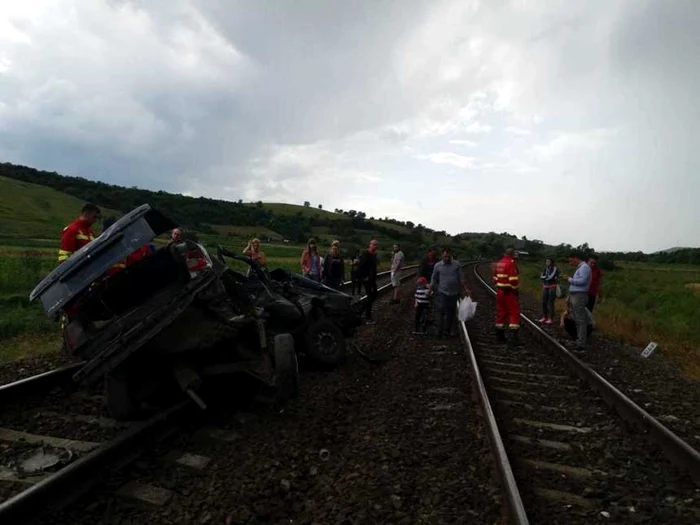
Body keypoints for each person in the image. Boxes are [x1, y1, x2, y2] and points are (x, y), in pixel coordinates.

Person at [430, 248, 471, 338]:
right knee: (441, 311)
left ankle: (447, 331)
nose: (447, 258)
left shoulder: (456, 265)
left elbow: (461, 278)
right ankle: (439, 331)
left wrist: (466, 289)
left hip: (454, 292)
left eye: (449, 257)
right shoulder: (438, 266)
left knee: (451, 312)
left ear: (451, 256)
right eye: (445, 257)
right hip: (442, 291)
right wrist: (430, 289)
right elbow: (434, 278)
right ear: (442, 256)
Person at [493, 247, 523, 347]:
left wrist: (499, 285)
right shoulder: (511, 263)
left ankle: (499, 337)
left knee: (501, 313)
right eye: (516, 255)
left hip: (500, 292)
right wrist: (515, 290)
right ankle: (514, 339)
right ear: (512, 255)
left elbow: (495, 277)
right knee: (514, 313)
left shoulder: (500, 262)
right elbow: (513, 280)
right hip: (509, 293)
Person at [562, 251, 592, 350]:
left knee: (580, 320)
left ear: (576, 258)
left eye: (571, 260)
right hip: (576, 295)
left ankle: (581, 343)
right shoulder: (581, 268)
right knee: (577, 319)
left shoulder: (584, 268)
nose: (571, 262)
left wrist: (569, 279)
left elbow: (582, 281)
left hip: (579, 296)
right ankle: (578, 340)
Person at [356, 239, 379, 324]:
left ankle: (361, 309)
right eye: (374, 244)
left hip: (372, 279)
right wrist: (363, 277)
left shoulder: (373, 255)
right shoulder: (365, 254)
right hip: (367, 279)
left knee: (374, 295)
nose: (375, 246)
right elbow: (360, 267)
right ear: (370, 245)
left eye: (376, 245)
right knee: (370, 297)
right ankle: (367, 317)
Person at [539, 258, 559, 324]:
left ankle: (551, 318)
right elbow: (541, 276)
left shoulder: (555, 268)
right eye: (546, 261)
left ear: (551, 262)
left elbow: (551, 277)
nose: (547, 262)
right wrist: (546, 277)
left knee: (550, 303)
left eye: (548, 261)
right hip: (545, 286)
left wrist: (545, 277)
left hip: (552, 287)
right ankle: (545, 317)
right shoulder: (545, 268)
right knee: (544, 302)